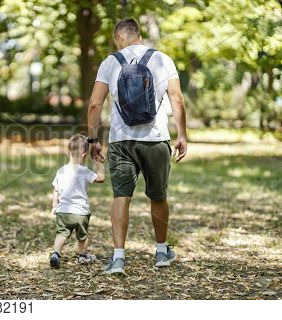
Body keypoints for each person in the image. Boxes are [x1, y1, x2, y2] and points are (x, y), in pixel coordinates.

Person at [87, 18, 188, 274]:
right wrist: (182, 135)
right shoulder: (163, 59)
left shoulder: (110, 62)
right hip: (156, 140)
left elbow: (95, 105)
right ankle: (162, 251)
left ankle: (118, 258)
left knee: (121, 196)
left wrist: (93, 139)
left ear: (120, 37)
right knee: (158, 195)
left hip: (122, 142)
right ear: (137, 34)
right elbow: (177, 99)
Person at [49, 134, 105, 268]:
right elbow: (100, 179)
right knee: (82, 236)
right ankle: (82, 255)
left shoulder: (61, 171)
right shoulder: (84, 171)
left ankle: (56, 253)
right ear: (84, 155)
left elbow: (55, 189)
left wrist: (54, 205)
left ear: (68, 152)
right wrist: (100, 165)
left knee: (62, 234)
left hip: (63, 211)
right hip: (80, 212)